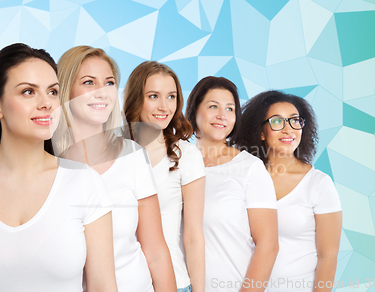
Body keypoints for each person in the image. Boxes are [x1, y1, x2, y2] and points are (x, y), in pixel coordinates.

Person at [0, 43, 117, 292]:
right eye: (28, 92)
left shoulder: (85, 183)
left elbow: (103, 286)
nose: (47, 103)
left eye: (53, 92)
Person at [52, 46, 176, 292]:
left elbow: (156, 251)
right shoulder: (47, 166)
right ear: (65, 91)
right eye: (89, 82)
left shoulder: (132, 156)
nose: (102, 92)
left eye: (109, 83)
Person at [234, 90, 342, 292]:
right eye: (277, 122)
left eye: (294, 121)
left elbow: (328, 256)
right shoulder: (244, 177)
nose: (288, 130)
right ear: (261, 132)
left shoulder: (318, 184)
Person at [185, 76, 279, 292]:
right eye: (213, 106)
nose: (221, 115)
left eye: (229, 109)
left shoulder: (249, 168)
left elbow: (268, 246)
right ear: (194, 110)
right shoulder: (177, 164)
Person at [124, 61, 206, 292]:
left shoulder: (186, 155)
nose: (164, 106)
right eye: (153, 96)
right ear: (135, 98)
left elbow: (193, 236)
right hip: (123, 283)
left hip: (174, 284)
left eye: (171, 97)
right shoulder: (113, 153)